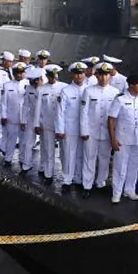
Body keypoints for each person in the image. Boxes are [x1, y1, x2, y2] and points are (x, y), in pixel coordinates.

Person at [107, 73, 138, 204]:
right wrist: (113, 139)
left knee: (134, 166)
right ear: (131, 85)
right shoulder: (119, 99)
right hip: (122, 139)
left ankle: (130, 189)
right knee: (120, 166)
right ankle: (116, 192)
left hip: (137, 138)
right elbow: (111, 120)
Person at [79, 62, 120, 198]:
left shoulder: (115, 92)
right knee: (89, 158)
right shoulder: (89, 91)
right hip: (91, 131)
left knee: (104, 158)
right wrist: (84, 131)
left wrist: (115, 134)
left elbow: (117, 116)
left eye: (106, 75)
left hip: (107, 132)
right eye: (100, 75)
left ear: (109, 76)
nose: (103, 78)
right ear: (96, 76)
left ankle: (101, 182)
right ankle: (87, 185)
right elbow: (84, 113)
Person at [55, 62, 88, 193]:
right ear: (73, 75)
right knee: (69, 154)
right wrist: (60, 130)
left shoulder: (89, 89)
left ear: (84, 74)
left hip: (84, 129)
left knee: (81, 154)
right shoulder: (66, 91)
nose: (79, 76)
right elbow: (60, 112)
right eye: (76, 73)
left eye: (81, 73)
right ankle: (67, 180)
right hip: (70, 128)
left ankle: (79, 179)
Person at [34, 64, 66, 184]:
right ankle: (48, 174)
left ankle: (67, 175)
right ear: (47, 76)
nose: (53, 78)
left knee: (64, 151)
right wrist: (37, 124)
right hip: (46, 123)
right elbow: (38, 108)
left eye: (55, 76)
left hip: (61, 125)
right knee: (48, 150)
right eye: (51, 76)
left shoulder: (64, 87)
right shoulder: (41, 89)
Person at [0, 63, 27, 164]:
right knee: (11, 139)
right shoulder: (7, 86)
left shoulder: (28, 84)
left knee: (23, 141)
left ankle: (22, 159)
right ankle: (8, 158)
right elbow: (3, 103)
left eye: (21, 73)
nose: (20, 75)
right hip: (11, 117)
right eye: (18, 73)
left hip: (24, 118)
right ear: (14, 74)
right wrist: (4, 116)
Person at [19, 67, 44, 174]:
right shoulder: (29, 88)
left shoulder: (46, 88)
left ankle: (44, 168)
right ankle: (26, 165)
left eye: (35, 81)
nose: (33, 84)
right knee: (28, 142)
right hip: (32, 117)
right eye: (31, 82)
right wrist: (23, 120)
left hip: (45, 119)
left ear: (40, 79)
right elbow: (25, 105)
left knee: (45, 145)